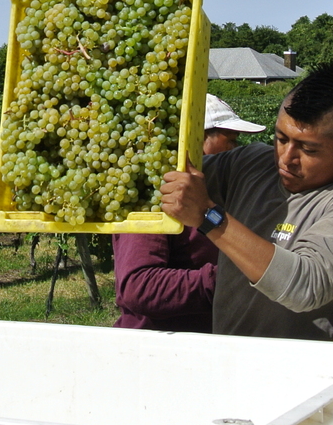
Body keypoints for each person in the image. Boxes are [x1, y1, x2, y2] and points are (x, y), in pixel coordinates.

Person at [158, 64, 333, 340]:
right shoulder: (251, 164)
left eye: (308, 149)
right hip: (228, 365)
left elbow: (306, 286)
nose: (286, 158)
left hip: (303, 377)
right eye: (281, 139)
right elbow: (168, 176)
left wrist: (208, 216)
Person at [111, 95, 266, 332]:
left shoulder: (215, 196)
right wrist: (231, 281)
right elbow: (139, 286)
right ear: (197, 141)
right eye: (232, 141)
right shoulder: (156, 199)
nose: (237, 151)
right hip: (156, 352)